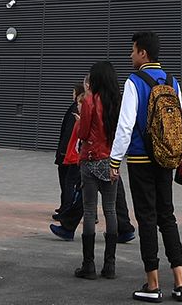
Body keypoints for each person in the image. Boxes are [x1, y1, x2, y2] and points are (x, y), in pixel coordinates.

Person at [111, 32, 182, 303]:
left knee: (146, 218)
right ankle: (179, 281)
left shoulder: (135, 81)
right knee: (167, 215)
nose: (130, 55)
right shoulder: (172, 81)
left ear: (143, 53)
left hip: (141, 158)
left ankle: (152, 284)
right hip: (166, 159)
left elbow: (125, 124)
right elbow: (181, 125)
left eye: (133, 50)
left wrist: (114, 160)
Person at [71, 61, 127, 280]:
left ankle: (89, 265)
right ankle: (110, 265)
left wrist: (79, 124)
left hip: (90, 159)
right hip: (110, 160)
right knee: (110, 210)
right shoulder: (117, 101)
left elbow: (83, 133)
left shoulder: (89, 101)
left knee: (89, 210)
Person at [50, 82, 85, 241]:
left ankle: (67, 211)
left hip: (76, 157)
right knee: (85, 189)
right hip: (79, 156)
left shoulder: (78, 113)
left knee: (73, 184)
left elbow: (73, 138)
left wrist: (63, 153)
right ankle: (69, 216)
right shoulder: (77, 113)